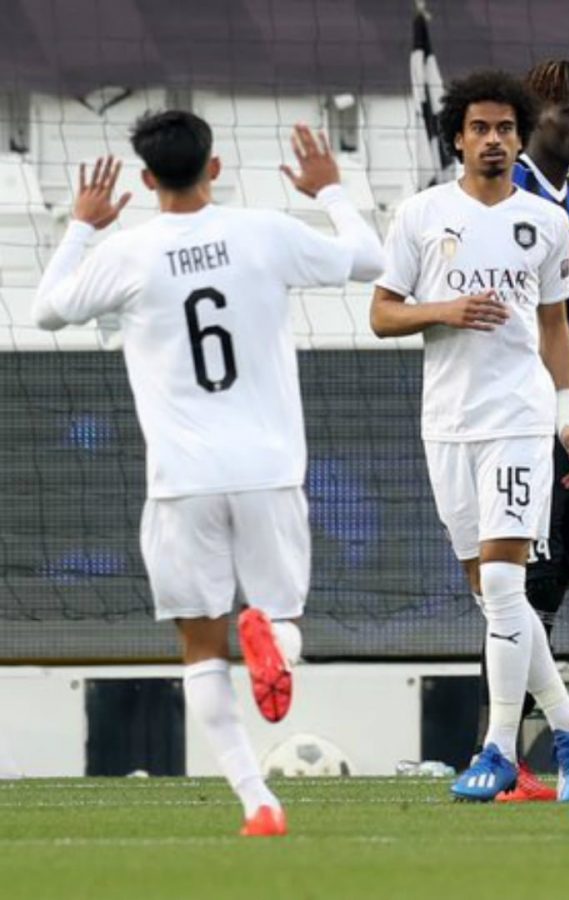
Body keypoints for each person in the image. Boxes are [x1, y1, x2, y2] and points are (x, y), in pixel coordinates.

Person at [32, 112, 385, 835]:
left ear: (146, 178)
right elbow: (370, 259)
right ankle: (274, 643)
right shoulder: (264, 233)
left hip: (182, 481)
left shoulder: (129, 253)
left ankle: (259, 801)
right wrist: (329, 190)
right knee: (282, 618)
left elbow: (46, 312)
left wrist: (82, 227)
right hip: (268, 470)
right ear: (214, 168)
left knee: (200, 649)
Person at [370, 70, 569, 804]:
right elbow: (382, 314)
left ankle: (498, 749)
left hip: (518, 418)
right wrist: (444, 309)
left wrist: (567, 416)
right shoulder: (421, 214)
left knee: (504, 582)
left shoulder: (548, 222)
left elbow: (556, 325)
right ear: (458, 139)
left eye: (505, 128)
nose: (493, 140)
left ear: (520, 136)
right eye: (480, 129)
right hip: (447, 422)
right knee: (489, 592)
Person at [487, 59, 569, 804]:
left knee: (549, 580)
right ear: (536, 118)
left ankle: (524, 749)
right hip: (513, 418)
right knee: (507, 582)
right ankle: (505, 747)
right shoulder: (508, 196)